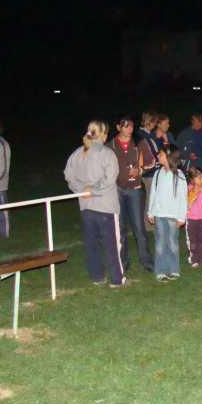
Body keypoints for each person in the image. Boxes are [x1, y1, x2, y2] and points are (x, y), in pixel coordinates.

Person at [64, 120, 127, 288]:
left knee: (91, 243)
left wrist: (81, 190)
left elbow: (68, 176)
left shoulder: (77, 153)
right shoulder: (107, 154)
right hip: (106, 207)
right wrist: (90, 190)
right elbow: (110, 179)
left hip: (86, 207)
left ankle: (97, 276)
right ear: (104, 135)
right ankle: (117, 279)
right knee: (112, 244)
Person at [108, 116, 153, 273]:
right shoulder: (111, 146)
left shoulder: (139, 142)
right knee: (120, 228)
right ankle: (123, 262)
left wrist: (140, 170)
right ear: (118, 127)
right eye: (126, 126)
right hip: (117, 191)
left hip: (134, 190)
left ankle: (147, 261)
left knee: (139, 228)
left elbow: (151, 161)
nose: (129, 129)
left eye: (131, 126)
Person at [147, 145, 187, 282]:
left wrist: (181, 217)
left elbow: (183, 197)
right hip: (159, 214)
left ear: (168, 157)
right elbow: (153, 193)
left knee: (172, 242)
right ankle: (161, 270)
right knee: (160, 242)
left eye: (161, 154)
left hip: (173, 215)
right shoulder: (158, 174)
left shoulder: (179, 175)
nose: (158, 156)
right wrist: (151, 212)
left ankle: (173, 269)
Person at [137, 110, 160, 231]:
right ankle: (148, 225)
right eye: (154, 122)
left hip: (153, 171)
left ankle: (151, 223)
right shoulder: (142, 135)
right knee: (150, 198)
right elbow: (147, 154)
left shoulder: (149, 135)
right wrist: (155, 161)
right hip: (148, 172)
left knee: (153, 198)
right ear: (149, 122)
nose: (155, 125)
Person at [177, 113, 202, 178]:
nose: (198, 124)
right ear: (192, 121)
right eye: (196, 122)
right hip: (190, 165)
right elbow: (176, 150)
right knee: (190, 183)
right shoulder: (184, 133)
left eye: (200, 122)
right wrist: (187, 155)